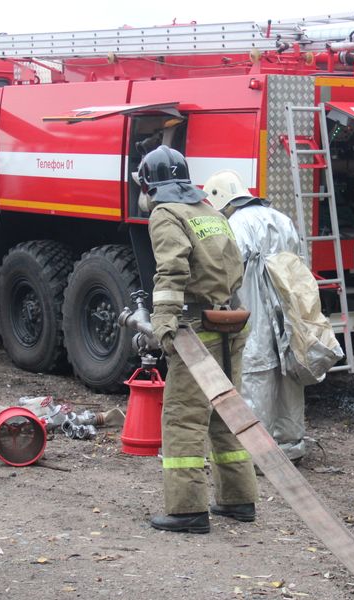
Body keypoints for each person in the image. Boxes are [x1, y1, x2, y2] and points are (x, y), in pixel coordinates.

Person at [142, 147, 258, 534]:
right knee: (228, 415)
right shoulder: (210, 210)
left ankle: (187, 510)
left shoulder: (165, 214)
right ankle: (238, 499)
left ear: (150, 185)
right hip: (232, 323)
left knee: (183, 418)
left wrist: (164, 324)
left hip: (197, 330)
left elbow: (171, 270)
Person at [203, 169, 308, 461]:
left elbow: (229, 275)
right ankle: (291, 446)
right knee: (289, 373)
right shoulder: (281, 218)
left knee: (255, 375)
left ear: (221, 200)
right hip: (287, 310)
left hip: (254, 312)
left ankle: (257, 453)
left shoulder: (235, 224)